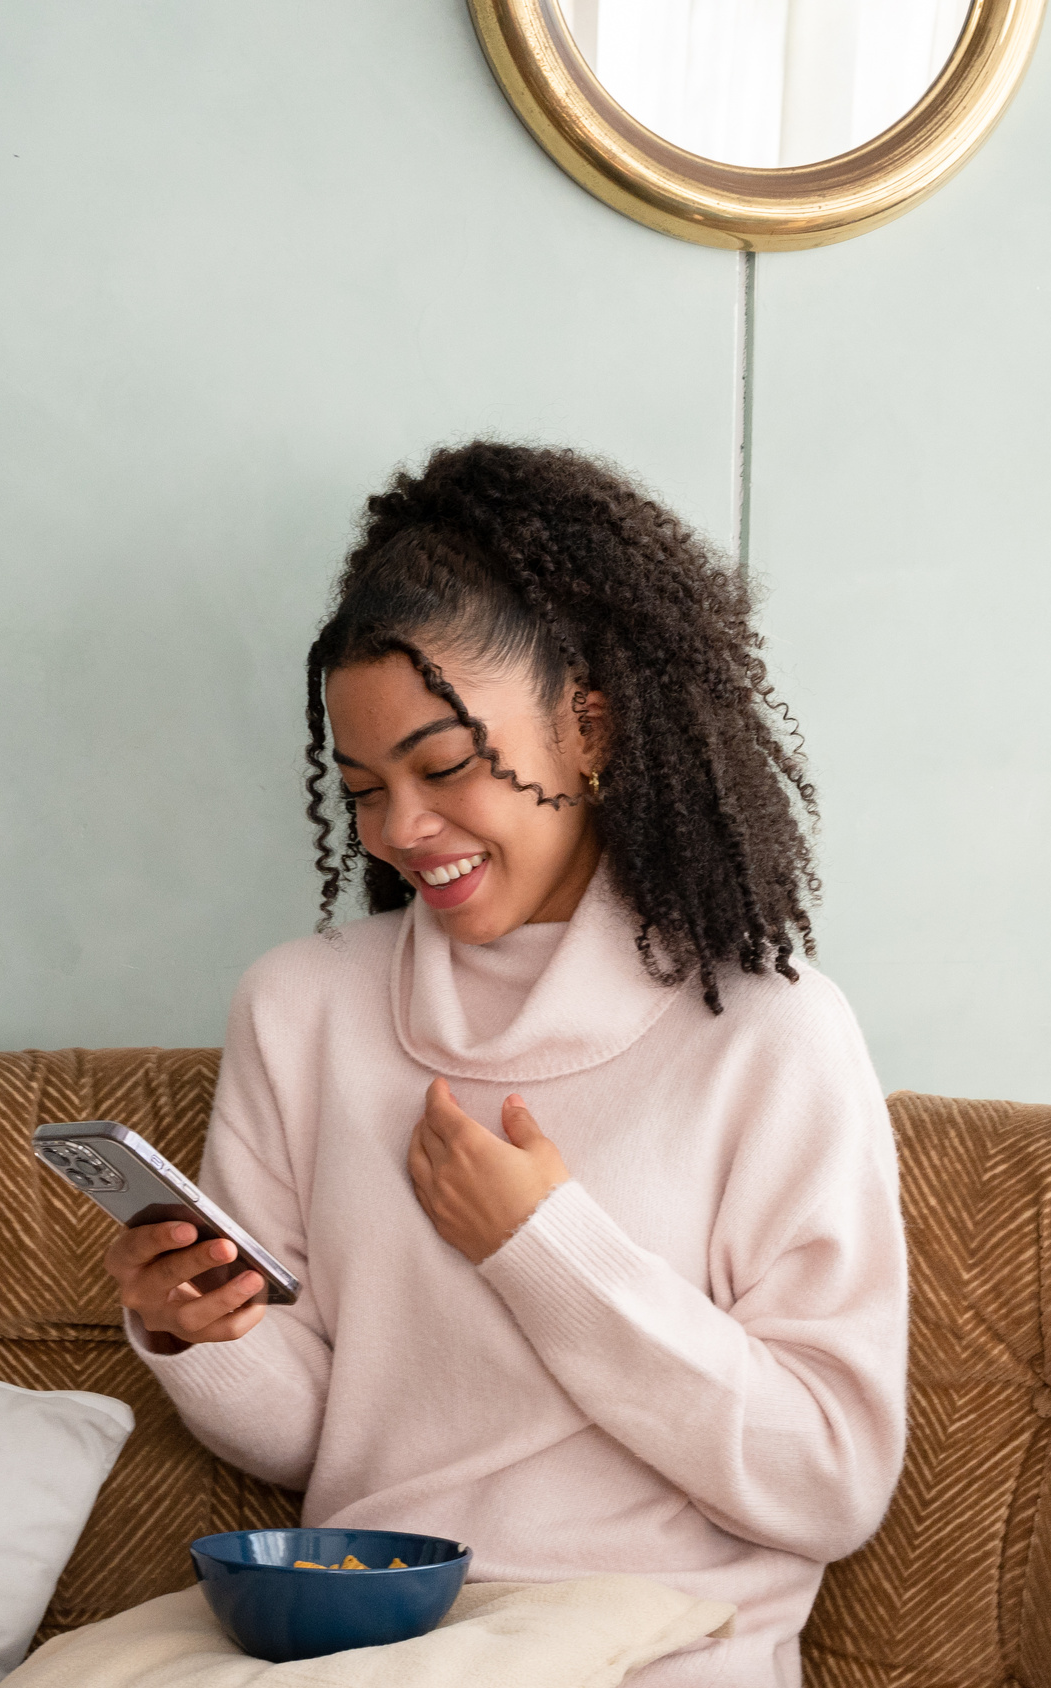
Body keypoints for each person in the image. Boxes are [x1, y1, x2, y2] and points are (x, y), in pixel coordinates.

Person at [103, 442, 908, 1688]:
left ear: (589, 728)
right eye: (365, 787)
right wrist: (199, 1333)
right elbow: (321, 1429)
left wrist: (542, 1245)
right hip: (367, 1637)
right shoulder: (301, 1007)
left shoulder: (765, 1031)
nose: (402, 831)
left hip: (656, 1641)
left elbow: (830, 1475)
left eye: (445, 766)